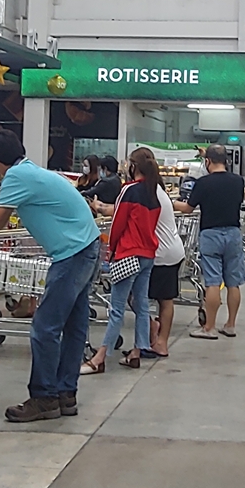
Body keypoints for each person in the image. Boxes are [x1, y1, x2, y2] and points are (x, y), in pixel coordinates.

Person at [0, 130, 101, 421]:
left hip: (71, 254)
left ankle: (44, 396)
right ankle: (65, 393)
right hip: (88, 245)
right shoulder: (29, 171)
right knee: (74, 326)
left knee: (44, 328)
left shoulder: (15, 176)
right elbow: (8, 209)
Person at [82, 148, 161, 374]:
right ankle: (137, 351)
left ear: (134, 166)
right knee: (142, 305)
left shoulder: (129, 190)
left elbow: (118, 224)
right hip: (147, 254)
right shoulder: (153, 193)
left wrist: (111, 250)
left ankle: (100, 357)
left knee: (116, 308)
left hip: (128, 253)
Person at [176, 144, 245, 340]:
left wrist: (171, 202)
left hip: (211, 234)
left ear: (207, 161)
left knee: (213, 282)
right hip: (233, 234)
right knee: (233, 283)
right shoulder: (238, 181)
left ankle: (209, 327)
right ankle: (230, 325)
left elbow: (188, 208)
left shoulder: (203, 183)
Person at [144, 148, 186, 359]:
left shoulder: (147, 192)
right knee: (166, 299)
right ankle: (161, 341)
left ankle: (154, 331)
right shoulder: (159, 190)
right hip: (173, 251)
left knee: (135, 295)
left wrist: (101, 208)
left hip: (160, 254)